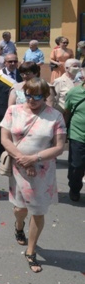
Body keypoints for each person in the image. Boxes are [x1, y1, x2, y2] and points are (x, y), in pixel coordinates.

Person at [0, 78, 66, 273]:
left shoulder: (55, 116)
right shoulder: (14, 110)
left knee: (38, 210)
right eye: (28, 94)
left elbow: (59, 147)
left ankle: (31, 250)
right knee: (20, 208)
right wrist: (23, 159)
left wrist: (34, 159)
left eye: (37, 96)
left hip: (42, 172)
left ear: (45, 96)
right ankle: (19, 225)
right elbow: (4, 138)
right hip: (19, 168)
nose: (32, 99)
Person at [0, 53, 22, 162]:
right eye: (10, 61)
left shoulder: (22, 74)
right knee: (1, 130)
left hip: (20, 108)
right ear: (5, 63)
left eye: (15, 61)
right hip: (1, 108)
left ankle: (14, 151)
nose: (13, 63)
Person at [64, 68, 85, 202]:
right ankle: (74, 188)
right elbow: (67, 113)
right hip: (78, 136)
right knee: (76, 166)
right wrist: (62, 132)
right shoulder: (74, 92)